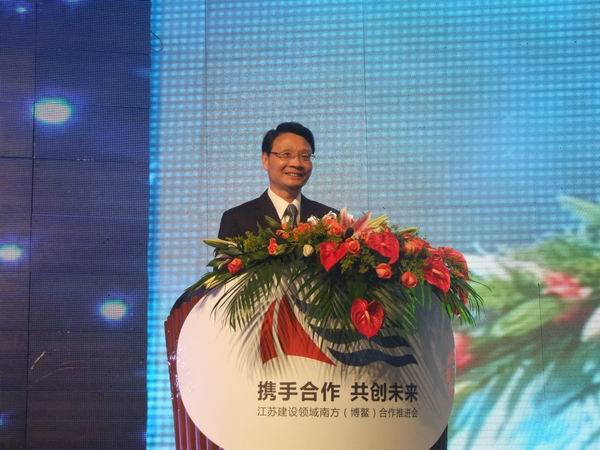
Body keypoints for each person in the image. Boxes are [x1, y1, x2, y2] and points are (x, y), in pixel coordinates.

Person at [218, 122, 335, 239]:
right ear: (265, 159)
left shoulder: (330, 220)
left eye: (305, 156)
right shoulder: (237, 219)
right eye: (286, 154)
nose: (296, 163)